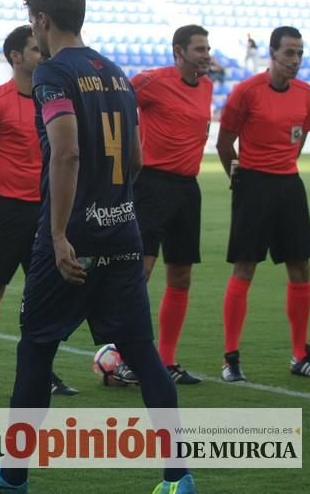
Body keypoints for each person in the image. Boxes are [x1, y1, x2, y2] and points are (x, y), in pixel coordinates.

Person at [0, 0, 194, 493]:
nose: (32, 35)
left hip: (72, 239)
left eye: (32, 22)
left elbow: (65, 151)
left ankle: (12, 474)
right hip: (123, 234)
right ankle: (179, 478)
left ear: (41, 20)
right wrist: (110, 206)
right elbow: (134, 157)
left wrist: (61, 233)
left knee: (35, 350)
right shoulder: (115, 74)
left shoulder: (53, 75)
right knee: (143, 354)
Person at [0, 25, 78, 400]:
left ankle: (44, 371)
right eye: (34, 49)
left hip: (48, 210)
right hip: (7, 209)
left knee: (47, 294)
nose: (42, 53)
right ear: (15, 57)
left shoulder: (55, 97)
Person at [216, 25, 310, 381]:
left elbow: (300, 138)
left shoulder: (306, 93)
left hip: (289, 185)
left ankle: (299, 356)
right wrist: (241, 180)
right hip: (254, 184)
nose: (295, 60)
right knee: (245, 268)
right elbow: (224, 143)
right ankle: (230, 358)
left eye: (300, 53)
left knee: (300, 268)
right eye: (289, 53)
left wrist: (283, 168)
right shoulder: (246, 92)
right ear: (273, 54)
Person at [130, 25, 213, 386]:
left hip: (187, 188)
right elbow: (116, 102)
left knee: (180, 275)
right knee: (140, 273)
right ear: (178, 51)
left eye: (207, 48)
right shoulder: (151, 82)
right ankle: (129, 357)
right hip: (152, 185)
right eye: (199, 48)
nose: (207, 54)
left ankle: (166, 360)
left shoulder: (207, 86)